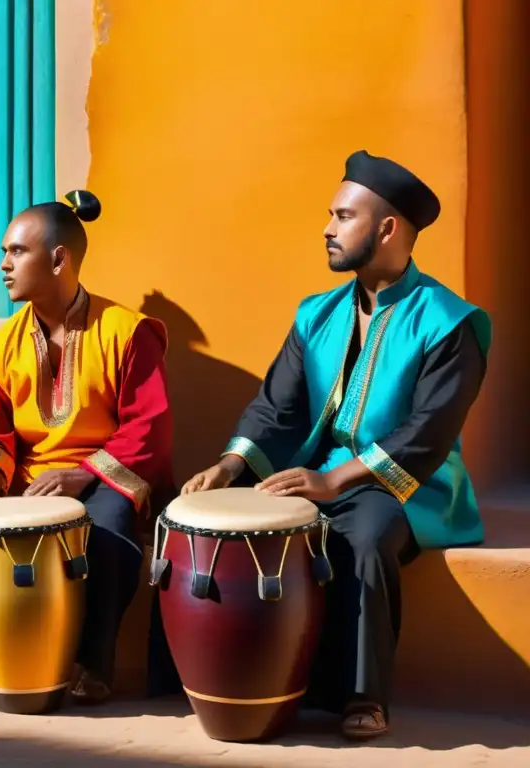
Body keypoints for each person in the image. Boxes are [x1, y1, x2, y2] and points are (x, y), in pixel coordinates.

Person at [167, 150, 491, 739]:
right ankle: (205, 673)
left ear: (387, 228)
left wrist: (333, 481)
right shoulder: (317, 314)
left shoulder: (449, 321)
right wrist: (230, 463)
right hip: (316, 468)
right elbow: (277, 407)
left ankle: (362, 696)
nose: (327, 228)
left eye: (343, 217)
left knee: (362, 537)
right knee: (206, 514)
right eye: (331, 215)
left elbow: (428, 433)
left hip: (408, 484)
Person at [0, 190, 174, 705]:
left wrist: (82, 474)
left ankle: (92, 664)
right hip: (26, 477)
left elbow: (150, 427)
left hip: (104, 479)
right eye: (4, 253)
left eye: (16, 252)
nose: (3, 265)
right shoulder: (2, 344)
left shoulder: (127, 332)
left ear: (58, 259)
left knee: (106, 529)